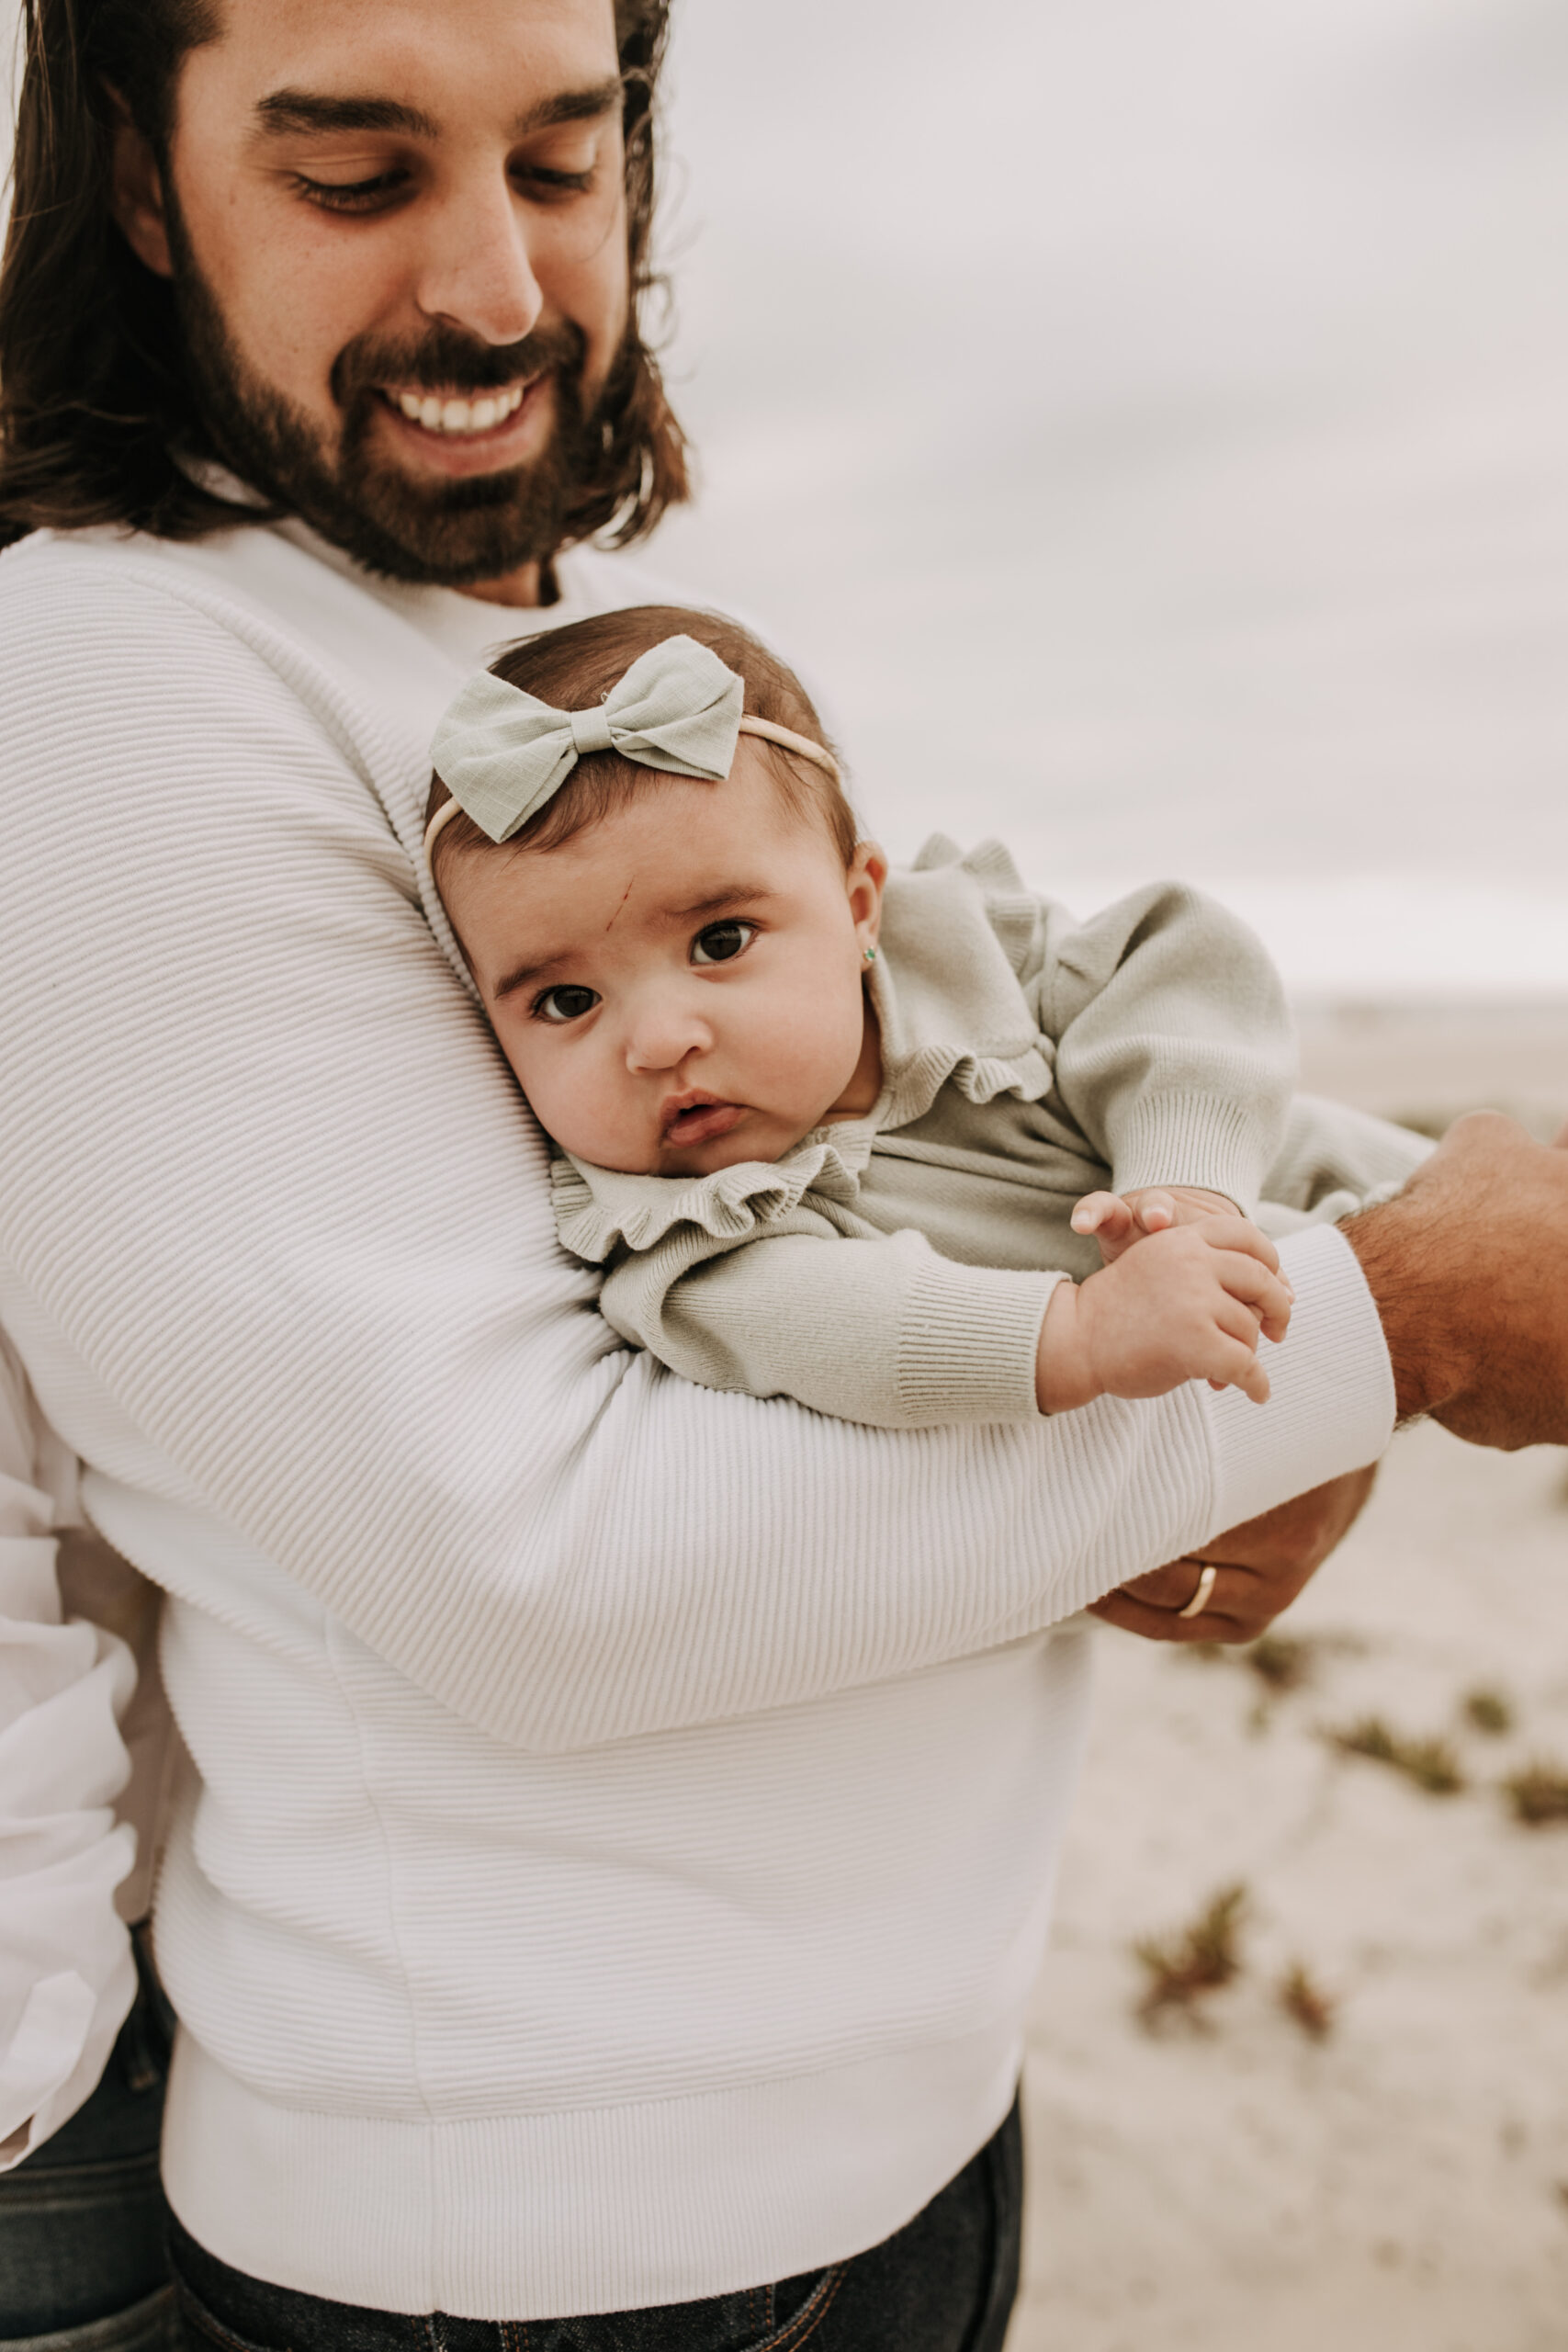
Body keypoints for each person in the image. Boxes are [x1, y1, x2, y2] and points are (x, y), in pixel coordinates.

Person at [1, 4, 1566, 2349]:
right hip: (553, 2262)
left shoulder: (500, 653)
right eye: (354, 176)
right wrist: (1374, 1328)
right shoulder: (112, 670)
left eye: (560, 156)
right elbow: (532, 1560)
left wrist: (1215, 1308)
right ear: (137, 178)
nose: (499, 290)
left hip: (889, 2146)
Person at [423, 603, 1408, 1426]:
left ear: (859, 907)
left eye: (720, 942)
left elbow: (1183, 964)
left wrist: (1183, 1191)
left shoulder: (962, 954)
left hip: (1347, 1182)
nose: (658, 1040)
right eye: (566, 1000)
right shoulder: (678, 1237)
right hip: (1321, 1338)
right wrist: (1079, 1335)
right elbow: (841, 1324)